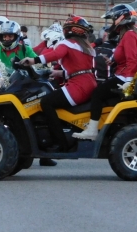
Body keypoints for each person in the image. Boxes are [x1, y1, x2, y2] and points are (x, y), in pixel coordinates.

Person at [20, 16, 97, 161]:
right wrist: (58, 73)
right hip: (88, 83)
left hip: (78, 86)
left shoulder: (67, 43)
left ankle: (60, 143)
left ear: (67, 30)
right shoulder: (86, 46)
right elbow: (81, 68)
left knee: (46, 102)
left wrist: (33, 60)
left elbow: (55, 55)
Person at [74, 4, 137, 140]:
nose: (112, 23)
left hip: (124, 77)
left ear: (120, 18)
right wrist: (112, 60)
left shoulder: (129, 36)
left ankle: (92, 130)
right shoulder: (129, 35)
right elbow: (124, 57)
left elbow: (132, 60)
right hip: (122, 75)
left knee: (97, 94)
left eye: (113, 19)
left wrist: (129, 82)